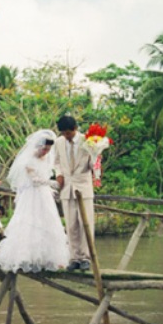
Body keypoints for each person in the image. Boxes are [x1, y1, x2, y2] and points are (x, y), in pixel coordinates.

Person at [0, 130, 70, 273]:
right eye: (44, 149)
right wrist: (54, 183)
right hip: (32, 194)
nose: (46, 152)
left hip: (44, 195)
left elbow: (47, 173)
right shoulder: (29, 160)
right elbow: (35, 180)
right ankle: (25, 257)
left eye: (49, 149)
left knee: (48, 222)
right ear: (39, 145)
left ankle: (49, 258)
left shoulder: (47, 159)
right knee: (29, 222)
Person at [54, 115, 95, 271]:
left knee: (86, 223)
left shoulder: (88, 140)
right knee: (71, 225)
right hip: (67, 187)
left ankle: (86, 257)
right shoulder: (59, 142)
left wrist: (96, 155)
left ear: (75, 129)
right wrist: (58, 174)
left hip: (83, 187)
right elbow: (56, 162)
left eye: (68, 133)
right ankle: (74, 257)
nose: (66, 136)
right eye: (63, 133)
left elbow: (93, 164)